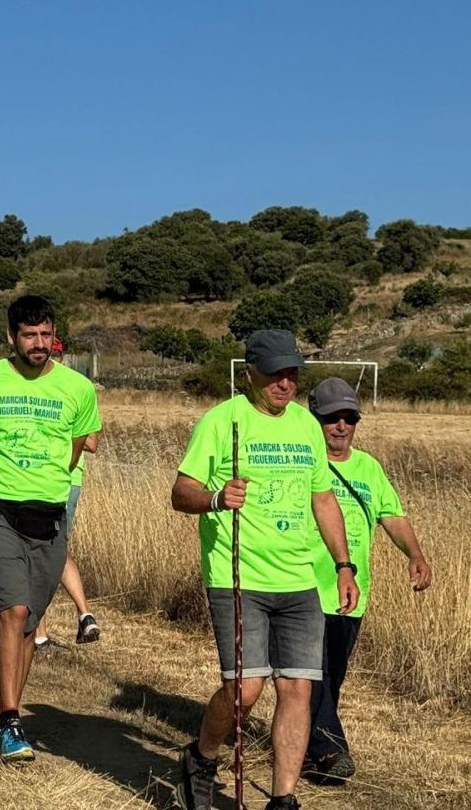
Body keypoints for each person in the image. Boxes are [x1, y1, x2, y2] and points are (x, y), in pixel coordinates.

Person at [172, 329, 359, 810]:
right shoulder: (222, 421)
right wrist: (215, 499)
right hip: (239, 580)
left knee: (298, 688)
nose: (285, 382)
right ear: (250, 373)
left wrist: (343, 565)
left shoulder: (304, 426)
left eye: (292, 372)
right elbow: (181, 492)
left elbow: (323, 498)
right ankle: (201, 755)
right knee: (244, 690)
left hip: (300, 581)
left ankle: (283, 799)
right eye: (275, 373)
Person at [0, 294, 101, 763]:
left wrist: (48, 484)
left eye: (45, 335)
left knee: (30, 622)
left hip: (51, 514)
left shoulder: (78, 389)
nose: (39, 344)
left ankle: (11, 719)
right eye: (29, 335)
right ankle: (7, 720)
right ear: (10, 337)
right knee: (14, 611)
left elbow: (78, 447)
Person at [302, 377, 432, 785]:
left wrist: (415, 554)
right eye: (331, 418)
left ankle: (311, 755)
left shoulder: (369, 468)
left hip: (350, 595)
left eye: (349, 418)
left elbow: (391, 515)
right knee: (312, 675)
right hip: (303, 587)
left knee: (330, 680)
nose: (340, 426)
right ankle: (329, 749)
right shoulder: (301, 463)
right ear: (313, 418)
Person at [33, 430, 101, 647]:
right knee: (56, 549)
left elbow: (91, 443)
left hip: (52, 478)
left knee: (37, 550)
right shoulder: (80, 396)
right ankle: (85, 615)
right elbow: (92, 441)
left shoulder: (67, 398)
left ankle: (40, 636)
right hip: (70, 480)